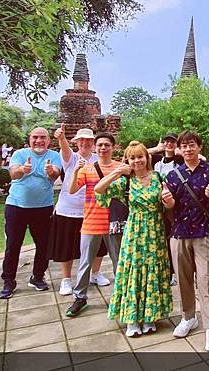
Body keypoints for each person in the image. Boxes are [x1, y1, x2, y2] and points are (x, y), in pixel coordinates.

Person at [94, 141, 173, 337]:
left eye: (140, 156)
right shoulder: (126, 182)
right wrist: (117, 172)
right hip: (134, 232)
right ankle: (131, 319)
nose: (137, 160)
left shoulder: (158, 177)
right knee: (133, 271)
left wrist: (168, 201)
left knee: (153, 272)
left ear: (147, 158)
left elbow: (169, 205)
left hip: (155, 231)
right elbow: (99, 190)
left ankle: (149, 316)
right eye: (132, 157)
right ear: (127, 160)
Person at [165, 130, 209, 352]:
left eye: (192, 145)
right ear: (179, 149)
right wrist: (168, 201)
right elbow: (170, 206)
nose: (188, 149)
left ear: (199, 147)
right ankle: (188, 317)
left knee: (206, 280)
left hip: (204, 234)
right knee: (182, 280)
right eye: (184, 146)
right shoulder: (173, 175)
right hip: (179, 234)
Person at [0, 127, 62, 299]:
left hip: (43, 208)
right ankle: (8, 281)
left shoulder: (55, 155)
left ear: (49, 140)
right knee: (13, 245)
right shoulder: (20, 154)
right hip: (16, 207)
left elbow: (55, 174)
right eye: (35, 137)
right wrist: (22, 170)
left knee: (43, 245)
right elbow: (13, 174)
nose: (39, 141)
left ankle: (38, 277)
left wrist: (52, 172)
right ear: (30, 139)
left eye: (43, 138)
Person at [65, 132, 122, 317]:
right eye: (100, 145)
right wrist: (75, 170)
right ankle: (80, 297)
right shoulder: (87, 169)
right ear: (95, 148)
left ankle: (121, 296)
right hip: (91, 221)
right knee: (85, 262)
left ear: (113, 147)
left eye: (107, 144)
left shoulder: (121, 168)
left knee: (119, 262)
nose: (103, 148)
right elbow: (72, 190)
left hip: (114, 223)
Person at [49, 125, 109, 296]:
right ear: (76, 142)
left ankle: (95, 274)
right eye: (81, 140)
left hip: (93, 210)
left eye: (89, 140)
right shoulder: (71, 158)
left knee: (98, 246)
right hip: (68, 209)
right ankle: (66, 279)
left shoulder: (98, 158)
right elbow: (65, 149)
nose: (85, 143)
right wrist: (61, 138)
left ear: (93, 143)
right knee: (66, 246)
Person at [150, 131, 184, 286]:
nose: (169, 144)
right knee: (161, 239)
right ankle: (165, 271)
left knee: (174, 239)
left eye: (173, 142)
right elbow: (137, 152)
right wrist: (157, 148)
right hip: (158, 205)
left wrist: (181, 151)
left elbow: (201, 158)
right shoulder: (157, 160)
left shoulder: (179, 161)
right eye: (167, 141)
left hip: (174, 205)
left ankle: (175, 271)